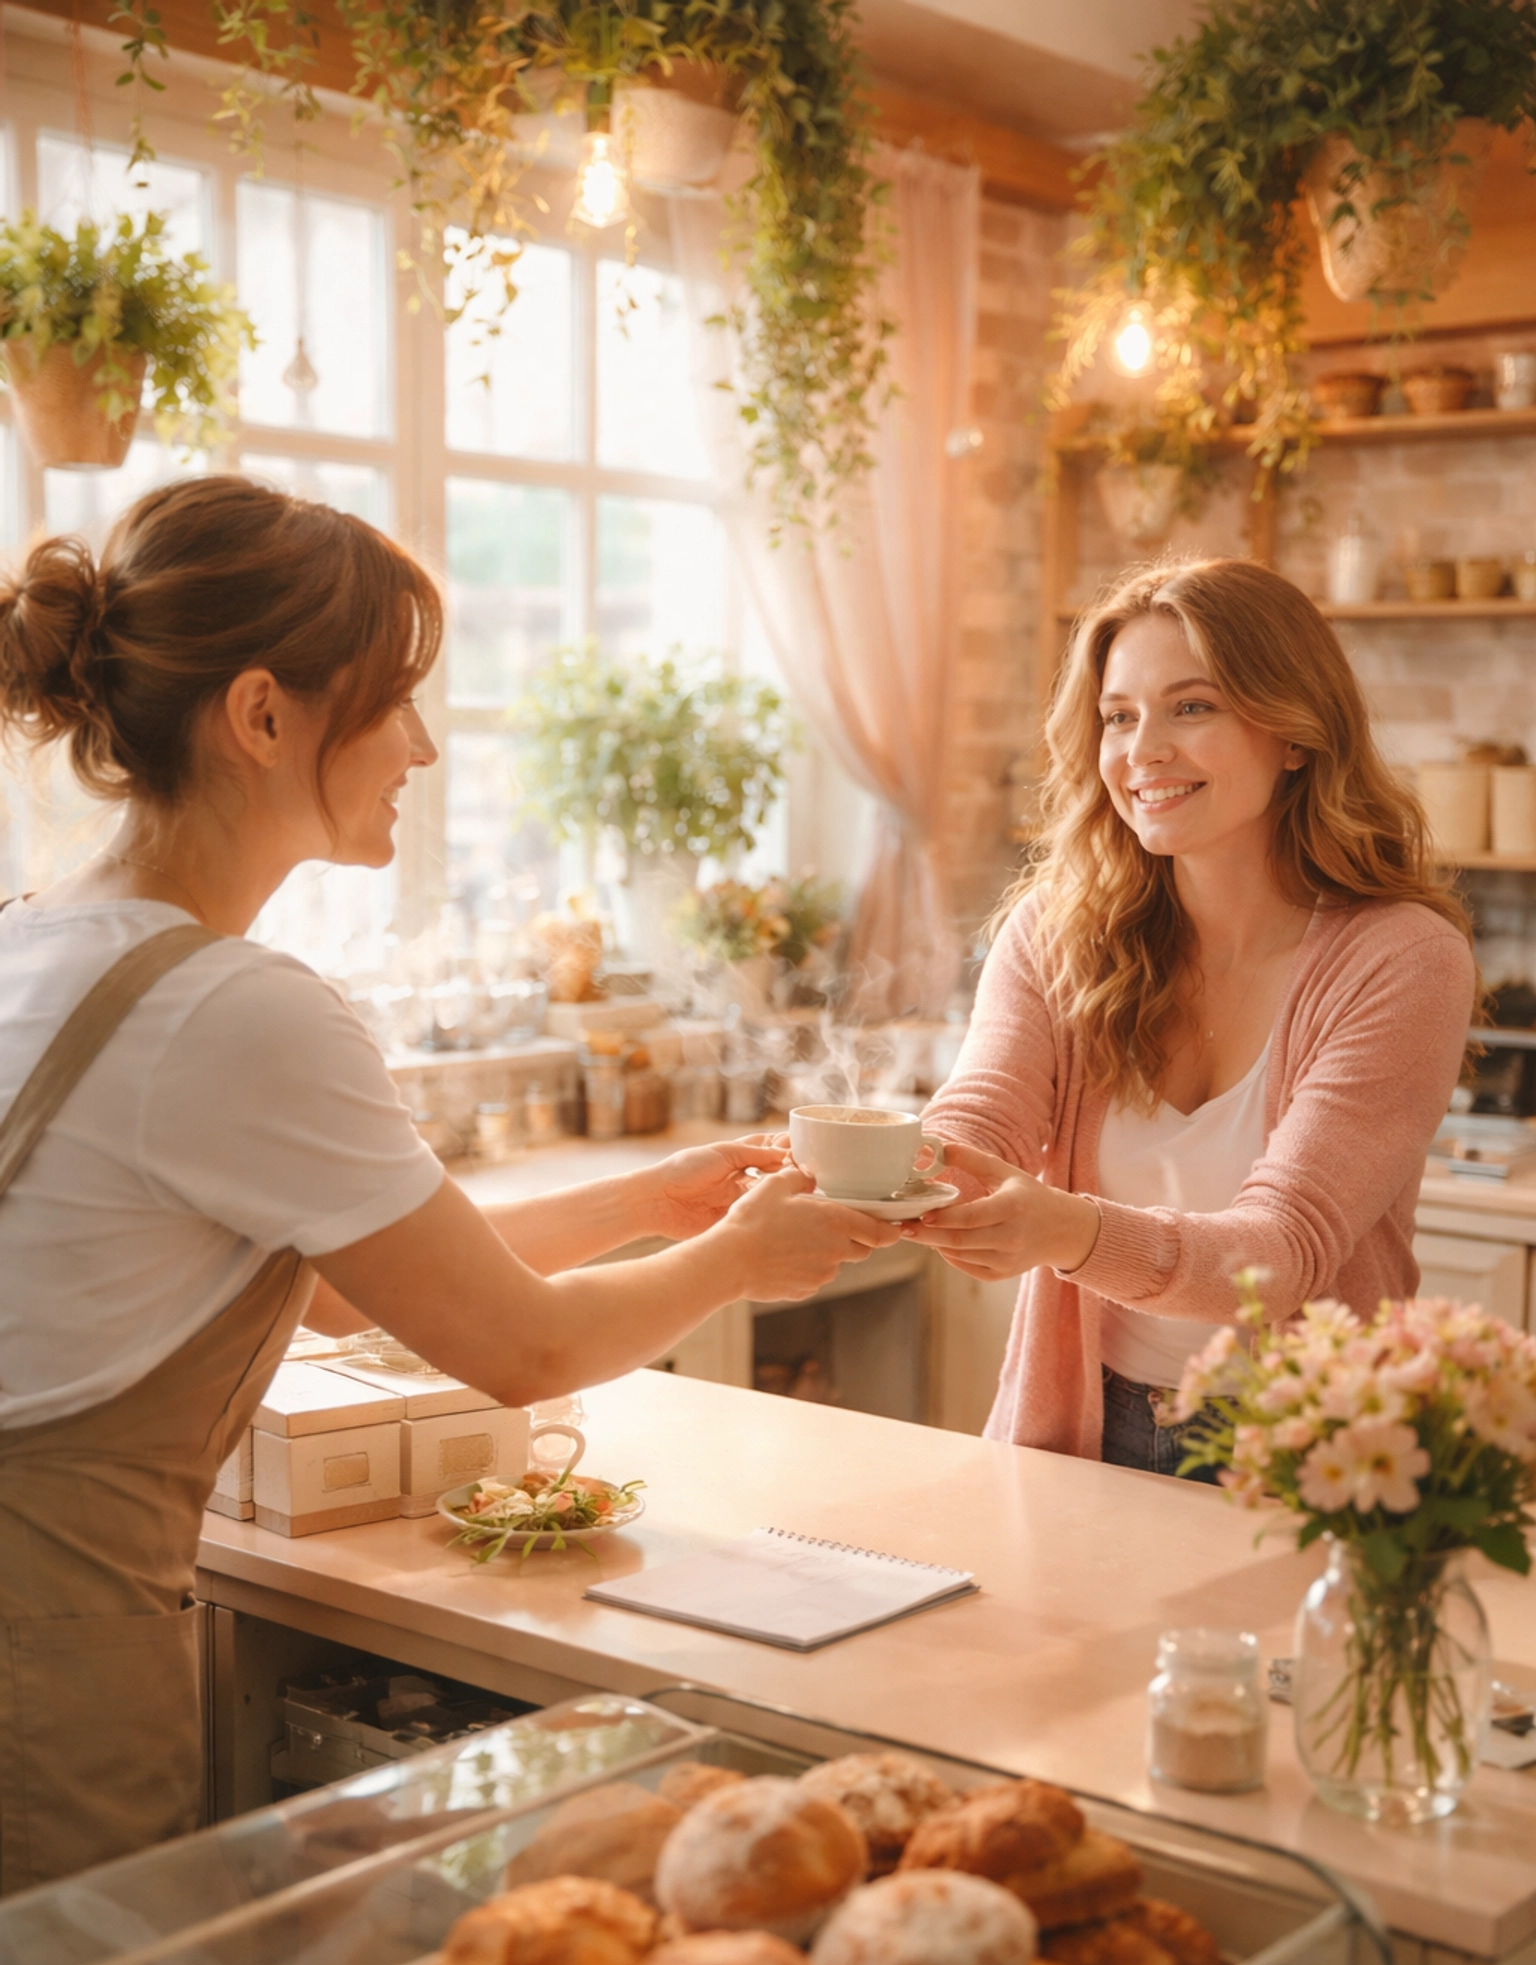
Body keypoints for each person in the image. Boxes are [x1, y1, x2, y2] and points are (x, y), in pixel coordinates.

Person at [0, 475, 887, 1892]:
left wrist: (646, 1203)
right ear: (263, 715)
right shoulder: (233, 1009)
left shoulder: (43, 940)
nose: (419, 744)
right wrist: (739, 1256)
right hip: (43, 1675)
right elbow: (523, 1350)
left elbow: (347, 1286)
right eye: (394, 698)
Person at [918, 557, 1478, 1472]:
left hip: (1317, 1455)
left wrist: (1062, 1228)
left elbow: (1278, 1255)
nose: (1143, 751)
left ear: (1295, 734)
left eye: (1193, 707)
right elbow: (986, 1110)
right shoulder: (1060, 929)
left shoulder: (1402, 958)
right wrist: (892, 1169)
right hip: (1086, 1424)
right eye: (1119, 716)